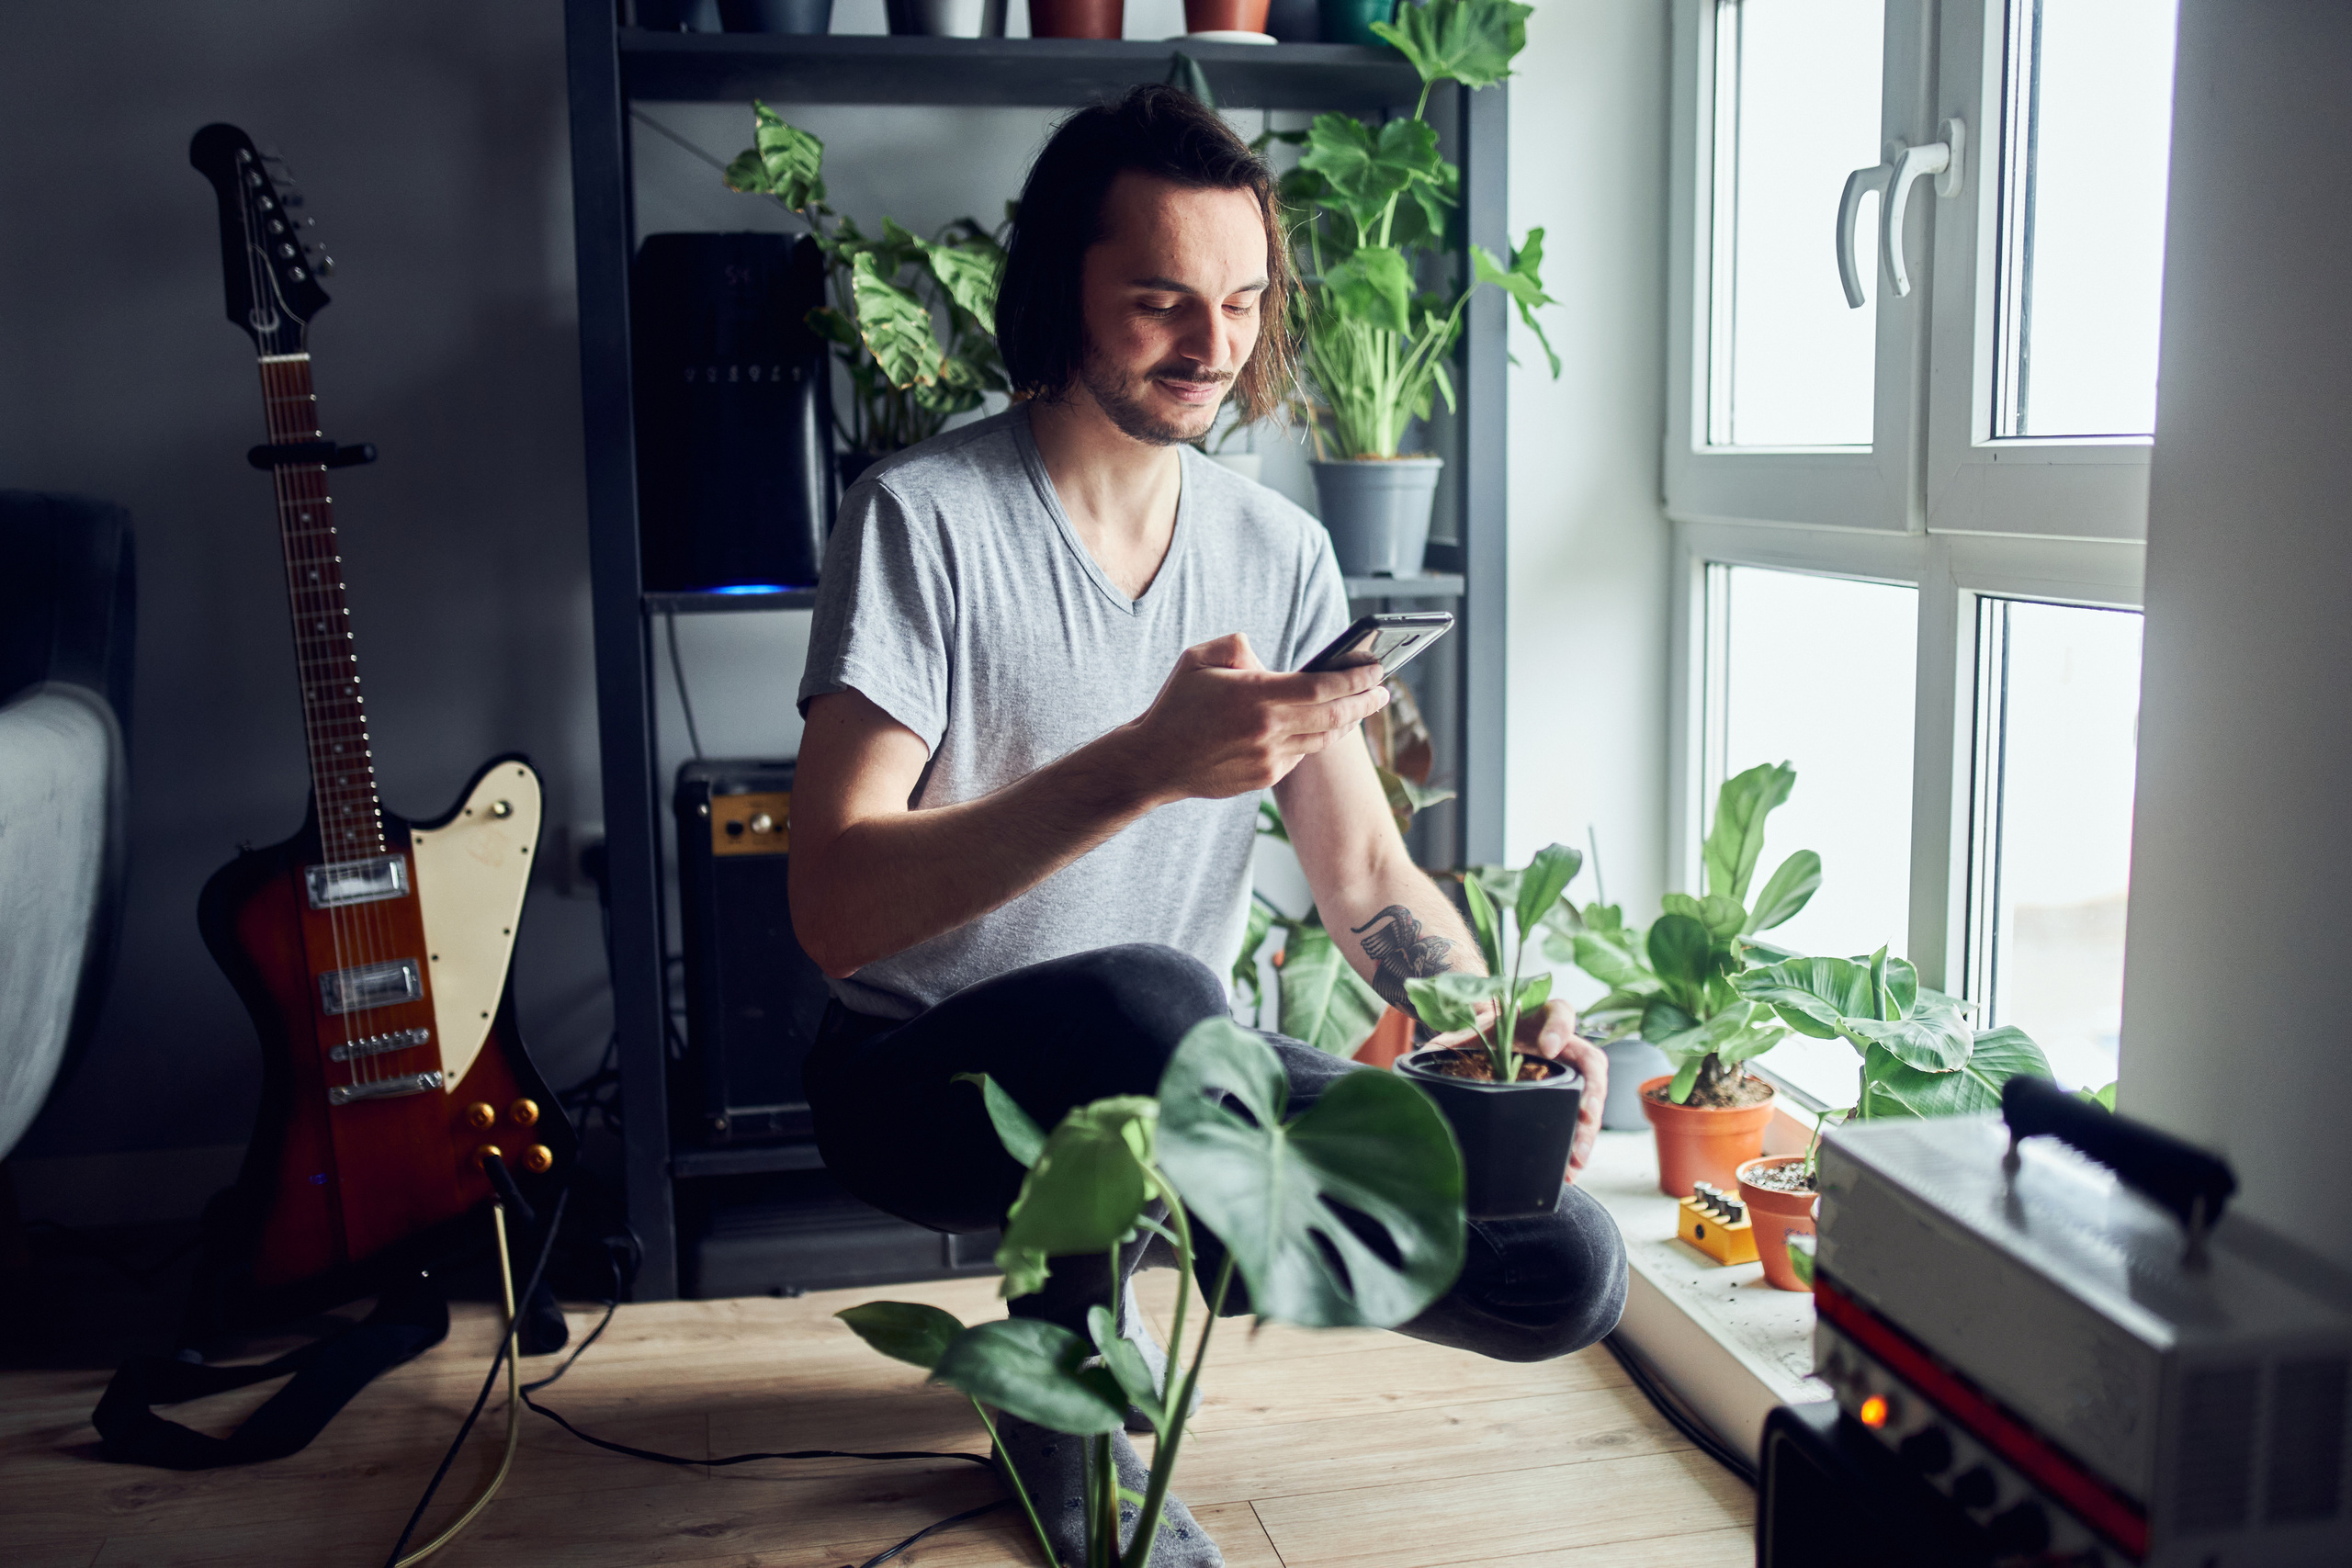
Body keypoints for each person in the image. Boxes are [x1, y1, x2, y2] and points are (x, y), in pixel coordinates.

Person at [790, 85, 1626, 1567]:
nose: (1216, 347)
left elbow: (1364, 871)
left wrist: (1491, 1039)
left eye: (1241, 302)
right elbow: (835, 907)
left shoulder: (1279, 550)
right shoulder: (923, 519)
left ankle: (1136, 1295)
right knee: (1149, 994)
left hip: (1189, 1092)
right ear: (1061, 293)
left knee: (1564, 1269)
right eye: (1164, 302)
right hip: (923, 1088)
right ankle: (1075, 1383)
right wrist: (1144, 764)